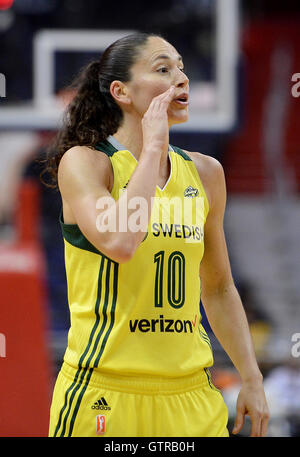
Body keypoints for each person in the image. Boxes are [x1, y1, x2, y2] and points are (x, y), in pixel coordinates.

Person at [45, 32, 269, 437]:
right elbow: (121, 243)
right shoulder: (87, 164)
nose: (181, 78)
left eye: (181, 68)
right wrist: (152, 147)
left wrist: (251, 376)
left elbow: (217, 288)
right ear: (121, 92)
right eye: (163, 69)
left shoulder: (205, 173)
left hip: (191, 394)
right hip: (105, 392)